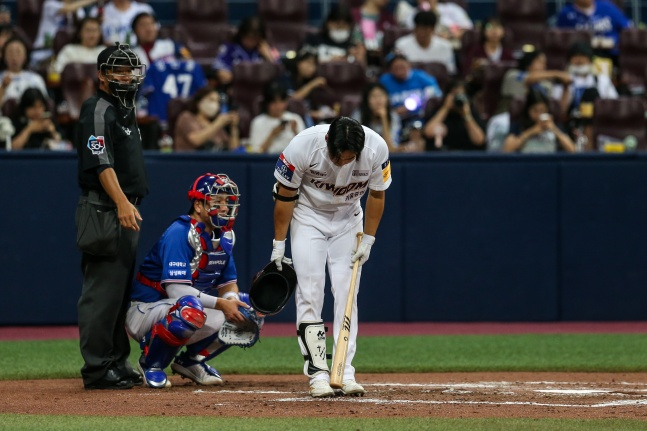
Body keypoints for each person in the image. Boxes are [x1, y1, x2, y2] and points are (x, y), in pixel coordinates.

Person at [270, 116, 391, 398]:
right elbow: (285, 196)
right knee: (310, 292)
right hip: (308, 216)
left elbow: (377, 194)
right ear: (327, 141)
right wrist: (279, 244)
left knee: (347, 290)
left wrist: (369, 238)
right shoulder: (302, 146)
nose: (343, 163)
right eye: (339, 157)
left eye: (350, 158)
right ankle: (318, 373)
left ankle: (344, 371)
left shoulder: (376, 149)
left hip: (349, 218)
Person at [126, 173, 256, 389]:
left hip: (182, 306)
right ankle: (151, 364)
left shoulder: (223, 236)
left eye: (227, 202)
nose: (224, 208)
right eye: (217, 202)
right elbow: (177, 291)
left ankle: (191, 361)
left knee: (248, 311)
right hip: (145, 310)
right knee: (189, 309)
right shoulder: (180, 232)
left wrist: (231, 300)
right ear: (198, 205)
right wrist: (222, 304)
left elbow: (228, 285)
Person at [75, 42, 148, 390]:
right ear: (102, 75)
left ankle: (116, 361)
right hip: (105, 209)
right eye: (119, 69)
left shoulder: (124, 109)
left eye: (130, 69)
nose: (127, 76)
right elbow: (100, 162)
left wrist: (126, 203)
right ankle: (97, 368)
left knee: (119, 294)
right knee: (101, 293)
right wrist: (121, 202)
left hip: (123, 207)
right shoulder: (97, 109)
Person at [212, 16, 279, 87]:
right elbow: (219, 69)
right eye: (248, 37)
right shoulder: (229, 48)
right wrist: (224, 74)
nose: (251, 41)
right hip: (235, 86)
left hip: (261, 87)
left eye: (255, 38)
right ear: (242, 34)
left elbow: (279, 70)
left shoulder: (267, 48)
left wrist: (268, 56)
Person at [502, 89, 576, 153]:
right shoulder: (519, 124)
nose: (539, 114)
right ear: (528, 111)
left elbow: (572, 150)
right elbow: (507, 149)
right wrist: (531, 132)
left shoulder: (555, 124)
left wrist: (554, 129)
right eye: (535, 111)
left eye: (542, 110)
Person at [379, 53, 443, 125]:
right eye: (396, 68)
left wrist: (422, 101)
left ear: (409, 65)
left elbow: (437, 92)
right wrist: (393, 112)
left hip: (421, 117)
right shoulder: (385, 81)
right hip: (396, 120)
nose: (400, 71)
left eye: (402, 67)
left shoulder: (420, 76)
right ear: (390, 69)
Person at [555, 0, 631, 62]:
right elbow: (561, 40)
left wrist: (614, 41)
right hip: (583, 55)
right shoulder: (565, 14)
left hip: (611, 52)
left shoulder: (607, 7)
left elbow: (627, 28)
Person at [422, 79, 486, 151]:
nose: (457, 98)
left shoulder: (472, 114)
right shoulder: (438, 111)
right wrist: (445, 108)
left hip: (466, 157)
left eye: (461, 95)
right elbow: (428, 132)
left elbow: (479, 140)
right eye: (454, 94)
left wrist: (466, 115)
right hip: (442, 157)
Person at [31, 0, 98, 66]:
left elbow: (84, 26)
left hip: (64, 53)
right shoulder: (50, 4)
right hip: (44, 53)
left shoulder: (79, 11)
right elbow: (68, 8)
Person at [174, 87, 240, 152]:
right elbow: (196, 141)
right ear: (199, 102)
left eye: (218, 102)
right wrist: (218, 123)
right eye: (211, 100)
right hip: (190, 161)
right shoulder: (187, 117)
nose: (215, 104)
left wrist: (234, 128)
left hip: (215, 161)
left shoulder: (214, 123)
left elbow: (234, 150)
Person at [249, 81, 305, 154]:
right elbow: (256, 153)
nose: (278, 106)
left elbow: (304, 150)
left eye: (282, 101)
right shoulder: (257, 122)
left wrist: (295, 132)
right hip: (267, 162)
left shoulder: (295, 118)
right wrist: (273, 135)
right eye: (274, 102)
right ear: (267, 103)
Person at [394, 11, 457, 75]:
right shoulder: (401, 45)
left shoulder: (445, 47)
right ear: (415, 28)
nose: (422, 32)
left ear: (433, 29)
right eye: (419, 28)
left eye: (426, 29)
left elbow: (450, 72)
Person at [352, 82, 402, 152]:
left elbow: (390, 148)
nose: (378, 100)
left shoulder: (393, 117)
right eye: (374, 96)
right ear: (367, 100)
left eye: (381, 95)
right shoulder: (358, 116)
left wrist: (384, 119)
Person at [0, 37, 49, 103]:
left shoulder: (36, 79)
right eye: (10, 52)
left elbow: (44, 104)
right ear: (4, 56)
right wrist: (3, 87)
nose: (14, 57)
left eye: (18, 52)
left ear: (25, 56)